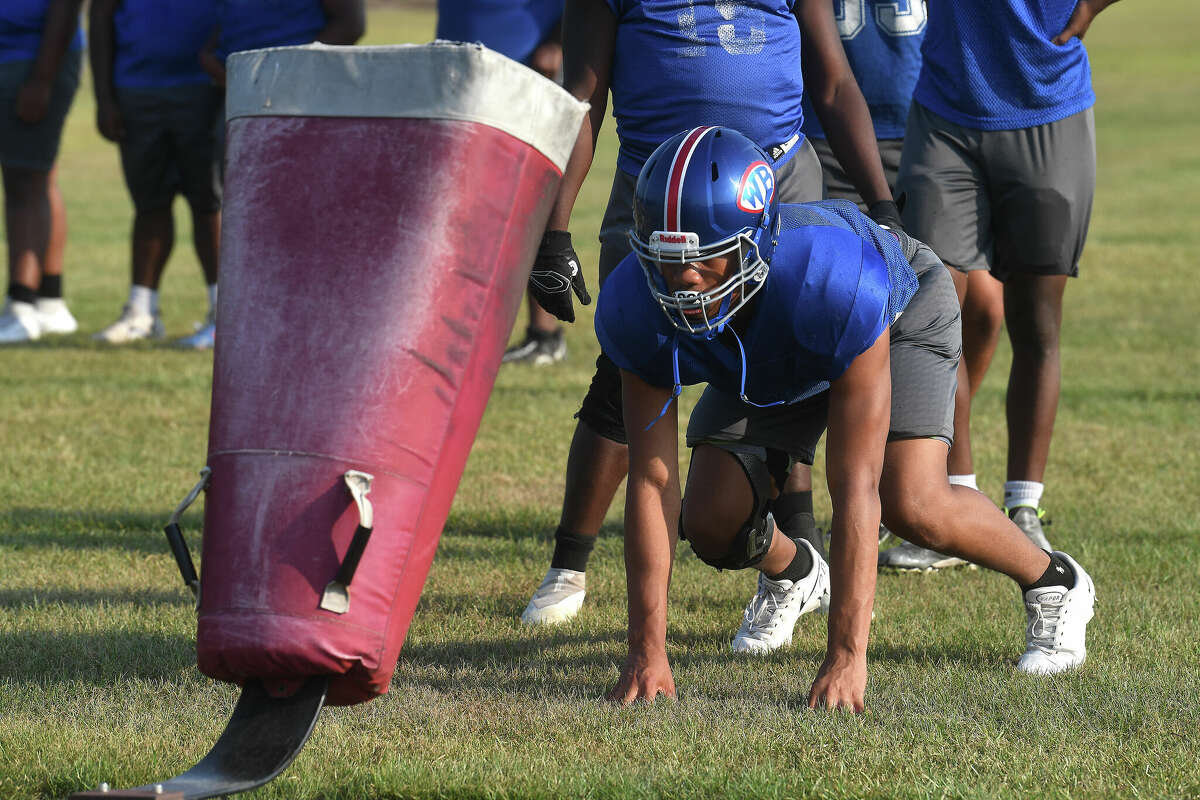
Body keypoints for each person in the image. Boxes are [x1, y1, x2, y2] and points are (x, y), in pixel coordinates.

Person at [598, 126, 1095, 709]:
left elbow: (855, 485)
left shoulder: (836, 281)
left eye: (704, 261)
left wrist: (846, 657)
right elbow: (653, 478)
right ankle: (795, 572)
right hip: (762, 341)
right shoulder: (636, 299)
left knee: (913, 501)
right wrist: (646, 650)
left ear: (753, 242)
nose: (684, 283)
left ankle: (1054, 581)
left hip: (893, 310)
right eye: (668, 261)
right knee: (710, 519)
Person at [521, 0, 902, 634]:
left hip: (774, 182)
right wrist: (552, 230)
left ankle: (795, 545)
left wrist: (881, 203)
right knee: (627, 366)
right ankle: (570, 563)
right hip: (658, 196)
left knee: (791, 355)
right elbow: (582, 99)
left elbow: (831, 80)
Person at [895, 0, 1120, 561]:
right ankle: (953, 497)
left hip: (1050, 110)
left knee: (1035, 322)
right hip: (945, 112)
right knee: (933, 309)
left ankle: (1024, 505)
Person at [435, 0, 570, 365]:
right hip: (457, 64)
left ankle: (545, 334)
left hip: (523, 68)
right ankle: (456, 330)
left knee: (524, 200)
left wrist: (558, 41)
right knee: (457, 204)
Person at [89, 0, 223, 348]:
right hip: (137, 86)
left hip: (205, 85)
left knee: (209, 201)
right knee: (149, 202)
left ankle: (222, 313)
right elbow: (101, 14)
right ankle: (141, 313)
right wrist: (104, 97)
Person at [0, 0, 83, 344]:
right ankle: (49, 301)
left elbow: (65, 8)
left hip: (32, 59)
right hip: (17, 58)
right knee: (37, 177)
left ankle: (21, 306)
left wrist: (42, 78)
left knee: (25, 180)